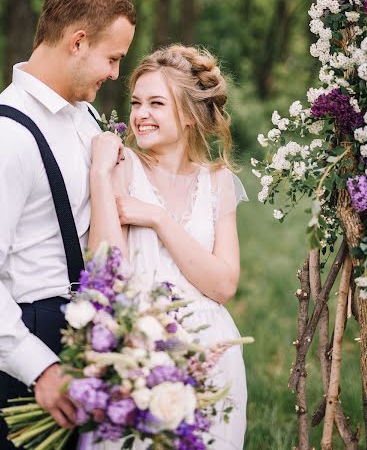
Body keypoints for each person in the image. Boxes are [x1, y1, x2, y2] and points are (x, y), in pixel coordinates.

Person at [0, 0, 136, 449]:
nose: (115, 74)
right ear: (77, 42)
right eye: (113, 58)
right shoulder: (3, 139)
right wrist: (38, 366)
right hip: (23, 343)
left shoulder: (82, 114)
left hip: (79, 329)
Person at [85, 45, 248, 450]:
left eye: (156, 103)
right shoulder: (124, 167)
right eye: (137, 102)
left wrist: (158, 218)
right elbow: (107, 272)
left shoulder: (218, 181)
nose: (140, 114)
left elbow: (223, 284)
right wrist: (99, 174)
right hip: (137, 355)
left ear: (190, 116)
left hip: (212, 355)